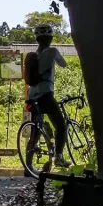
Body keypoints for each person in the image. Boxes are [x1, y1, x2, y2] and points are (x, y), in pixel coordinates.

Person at [27, 24, 69, 167]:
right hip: (45, 94)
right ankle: (58, 158)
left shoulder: (33, 56)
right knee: (61, 126)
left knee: (35, 131)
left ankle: (28, 166)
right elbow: (63, 64)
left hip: (31, 95)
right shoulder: (52, 51)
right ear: (50, 38)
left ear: (37, 39)